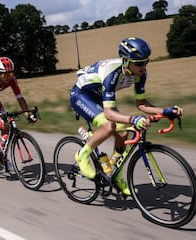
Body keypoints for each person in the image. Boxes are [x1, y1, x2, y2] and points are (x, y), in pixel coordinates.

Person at [70, 37, 183, 195]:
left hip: (101, 96)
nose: (143, 66)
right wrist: (133, 119)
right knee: (109, 125)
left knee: (124, 132)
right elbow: (109, 113)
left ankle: (116, 176)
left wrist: (164, 111)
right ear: (125, 61)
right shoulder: (113, 73)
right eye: (139, 63)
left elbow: (141, 104)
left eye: (146, 62)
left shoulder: (139, 73)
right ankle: (82, 155)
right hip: (82, 95)